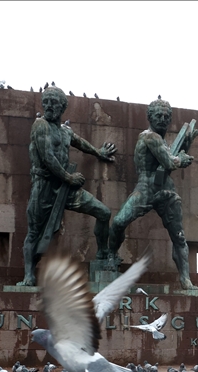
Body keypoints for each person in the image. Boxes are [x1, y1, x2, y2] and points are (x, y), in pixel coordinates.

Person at [17, 86, 116, 286]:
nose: (48, 106)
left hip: (66, 189)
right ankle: (29, 274)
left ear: (63, 107)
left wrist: (99, 152)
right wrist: (69, 178)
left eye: (53, 103)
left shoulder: (65, 131)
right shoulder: (40, 125)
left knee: (104, 213)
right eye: (45, 102)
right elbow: (47, 157)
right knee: (34, 232)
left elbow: (81, 143)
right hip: (44, 186)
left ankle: (103, 254)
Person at [108, 98, 198, 289]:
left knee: (179, 236)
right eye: (158, 115)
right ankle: (111, 255)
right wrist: (181, 159)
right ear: (149, 117)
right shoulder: (149, 137)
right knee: (118, 222)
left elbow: (170, 159)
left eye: (166, 116)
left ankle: (185, 279)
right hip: (145, 189)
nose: (163, 119)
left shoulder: (161, 140)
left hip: (166, 190)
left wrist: (186, 145)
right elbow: (170, 162)